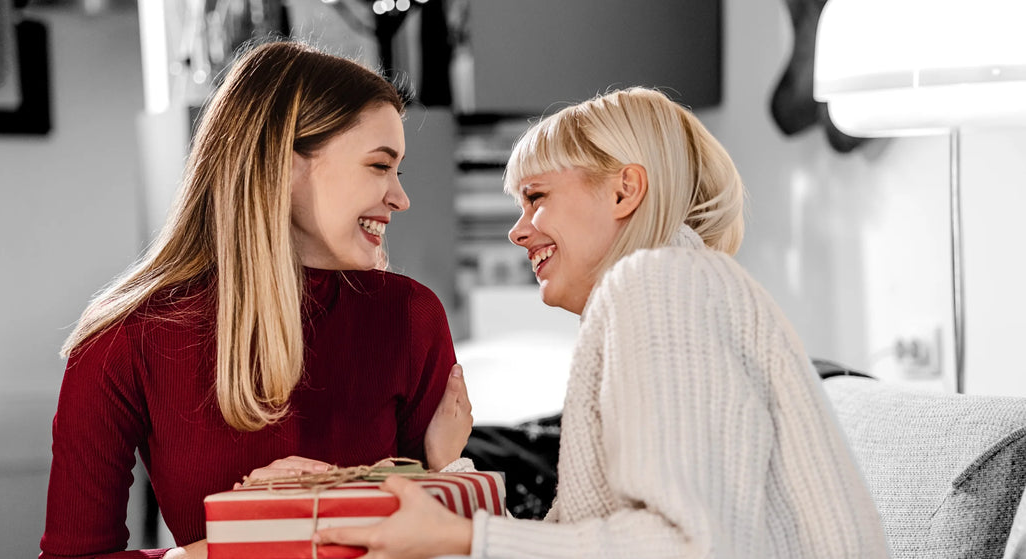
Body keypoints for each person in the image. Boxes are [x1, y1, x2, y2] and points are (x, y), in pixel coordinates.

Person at [315, 87, 890, 558]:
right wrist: (449, 466)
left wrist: (463, 538)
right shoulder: (683, 284)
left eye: (536, 196)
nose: (518, 231)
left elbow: (693, 547)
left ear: (624, 191)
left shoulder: (660, 286)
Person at [40, 41, 472, 559]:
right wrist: (244, 538)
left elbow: (442, 545)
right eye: (380, 166)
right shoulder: (123, 339)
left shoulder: (408, 315)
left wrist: (446, 471)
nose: (401, 197)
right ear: (284, 167)